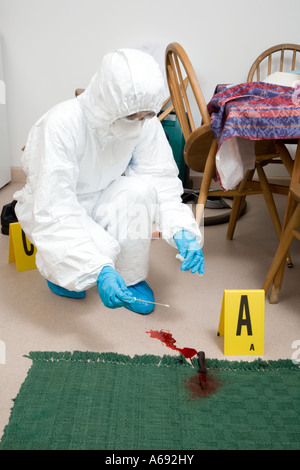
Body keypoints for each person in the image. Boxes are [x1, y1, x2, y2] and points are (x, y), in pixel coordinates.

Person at [14, 48, 204, 315]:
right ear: (107, 101)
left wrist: (182, 229)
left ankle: (131, 277)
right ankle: (59, 275)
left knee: (140, 190)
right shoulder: (61, 124)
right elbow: (54, 208)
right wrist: (98, 269)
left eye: (146, 115)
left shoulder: (144, 120)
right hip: (61, 204)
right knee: (95, 256)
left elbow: (159, 179)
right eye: (131, 116)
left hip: (103, 193)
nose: (140, 123)